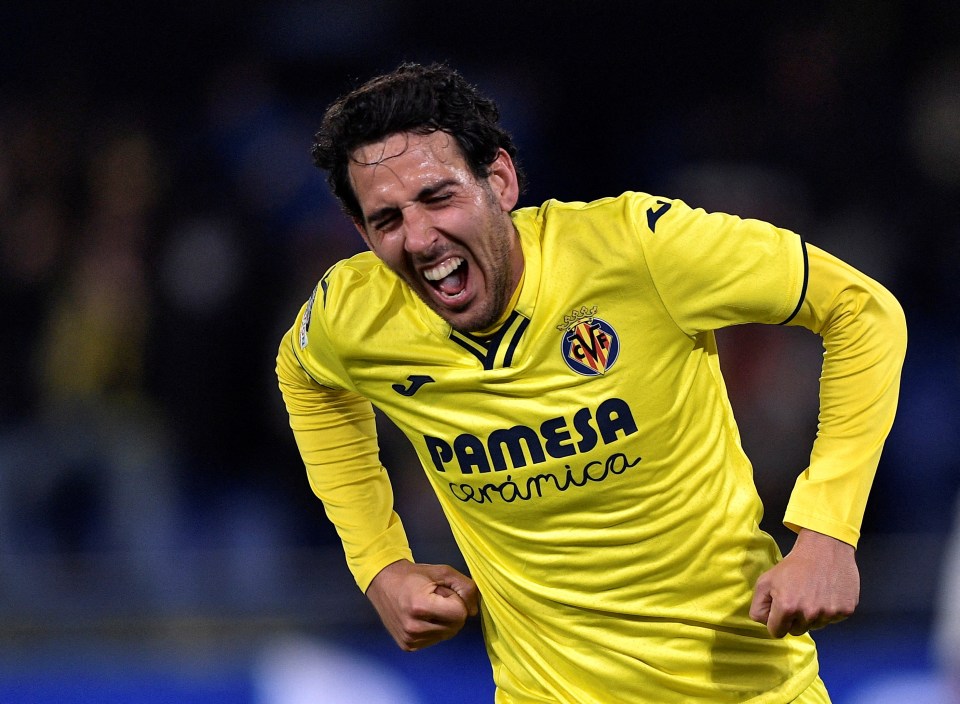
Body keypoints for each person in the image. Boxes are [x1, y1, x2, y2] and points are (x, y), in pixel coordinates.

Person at [276, 62, 907, 703]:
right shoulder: (357, 312)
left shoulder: (639, 250)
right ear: (361, 233)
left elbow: (864, 311)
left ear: (499, 179)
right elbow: (303, 378)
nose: (419, 237)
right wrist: (381, 565)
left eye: (439, 197)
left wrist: (828, 531)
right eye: (386, 220)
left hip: (742, 690)